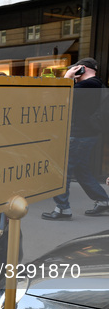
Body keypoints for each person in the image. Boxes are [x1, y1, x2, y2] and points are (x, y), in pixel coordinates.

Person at [42, 58, 109, 220]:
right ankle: (103, 201)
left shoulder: (88, 85)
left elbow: (59, 96)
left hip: (79, 135)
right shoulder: (97, 84)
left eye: (76, 69)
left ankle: (63, 208)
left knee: (62, 171)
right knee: (81, 170)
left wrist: (68, 77)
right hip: (87, 134)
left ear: (82, 69)